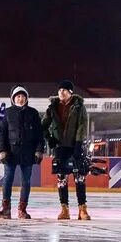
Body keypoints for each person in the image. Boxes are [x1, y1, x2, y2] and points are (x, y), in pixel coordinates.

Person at [42, 79, 91, 220]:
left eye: (64, 90)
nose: (61, 92)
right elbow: (43, 125)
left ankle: (82, 209)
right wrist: (49, 138)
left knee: (80, 178)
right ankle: (64, 209)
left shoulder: (79, 106)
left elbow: (82, 124)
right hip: (60, 147)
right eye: (59, 90)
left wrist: (78, 143)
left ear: (70, 92)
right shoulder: (52, 107)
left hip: (74, 146)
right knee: (62, 178)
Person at [0, 85, 44, 219]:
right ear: (13, 98)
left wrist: (39, 150)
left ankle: (22, 209)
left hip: (28, 152)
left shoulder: (33, 113)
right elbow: (2, 134)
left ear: (26, 98)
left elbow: (39, 134)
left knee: (26, 181)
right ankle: (6, 209)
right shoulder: (7, 112)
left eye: (23, 96)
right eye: (18, 96)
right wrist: (2, 150)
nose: (20, 98)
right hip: (11, 152)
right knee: (7, 179)